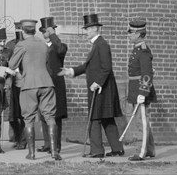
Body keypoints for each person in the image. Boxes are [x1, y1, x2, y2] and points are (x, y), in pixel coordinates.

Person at [59, 14, 124, 158]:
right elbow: (87, 66)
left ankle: (97, 151)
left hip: (101, 89)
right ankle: (117, 149)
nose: (86, 32)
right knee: (107, 118)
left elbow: (106, 67)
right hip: (101, 89)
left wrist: (98, 82)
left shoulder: (102, 45)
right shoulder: (97, 45)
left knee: (95, 118)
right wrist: (70, 71)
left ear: (95, 29)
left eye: (88, 29)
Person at [8, 19, 61, 161]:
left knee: (28, 118)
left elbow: (12, 65)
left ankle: (31, 153)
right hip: (47, 83)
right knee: (50, 117)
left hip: (29, 84)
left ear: (23, 31)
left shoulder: (22, 44)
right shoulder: (43, 44)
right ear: (34, 30)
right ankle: (54, 152)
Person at [125, 19, 157, 161]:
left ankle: (141, 152)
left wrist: (143, 92)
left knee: (141, 122)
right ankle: (149, 149)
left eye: (131, 32)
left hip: (140, 90)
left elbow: (147, 74)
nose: (128, 34)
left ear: (138, 34)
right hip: (135, 89)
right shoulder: (137, 49)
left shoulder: (143, 51)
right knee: (142, 121)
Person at [37, 17, 68, 155]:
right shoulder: (40, 47)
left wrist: (53, 35)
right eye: (44, 31)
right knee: (43, 114)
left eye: (49, 31)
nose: (46, 34)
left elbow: (60, 49)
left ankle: (56, 145)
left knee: (56, 115)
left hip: (56, 85)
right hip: (43, 84)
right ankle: (47, 144)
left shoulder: (59, 46)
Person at [6, 21, 27, 149]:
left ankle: (23, 140)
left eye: (21, 29)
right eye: (17, 28)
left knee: (24, 113)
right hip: (12, 83)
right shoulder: (10, 45)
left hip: (24, 83)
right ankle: (17, 137)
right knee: (12, 114)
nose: (18, 31)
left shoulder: (28, 44)